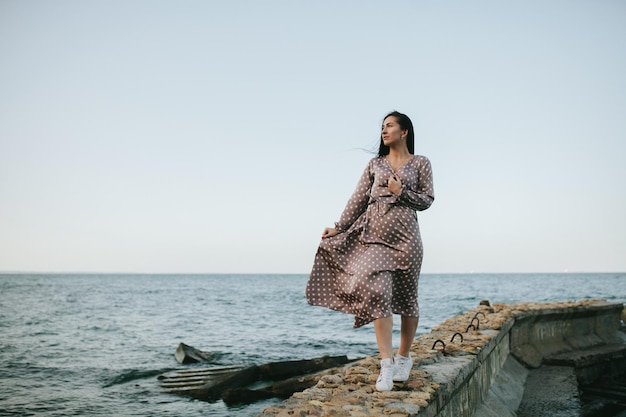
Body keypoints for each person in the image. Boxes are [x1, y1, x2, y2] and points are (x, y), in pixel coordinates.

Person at [305, 111, 434, 391]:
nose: (384, 131)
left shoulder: (421, 162)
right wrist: (339, 227)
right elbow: (358, 198)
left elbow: (427, 200)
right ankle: (386, 365)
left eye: (389, 126)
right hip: (374, 236)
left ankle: (404, 358)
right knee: (377, 292)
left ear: (404, 132)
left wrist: (402, 192)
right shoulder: (375, 164)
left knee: (408, 299)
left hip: (407, 239)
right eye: (382, 127)